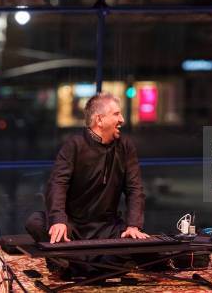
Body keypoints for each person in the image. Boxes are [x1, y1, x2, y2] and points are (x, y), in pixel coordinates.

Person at [25, 92, 147, 246]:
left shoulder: (125, 147)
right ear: (99, 119)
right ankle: (83, 259)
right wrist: (58, 220)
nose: (122, 119)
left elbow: (134, 188)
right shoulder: (74, 145)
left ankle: (75, 260)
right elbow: (57, 184)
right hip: (73, 226)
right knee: (35, 222)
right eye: (116, 114)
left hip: (108, 227)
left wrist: (133, 225)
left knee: (142, 244)